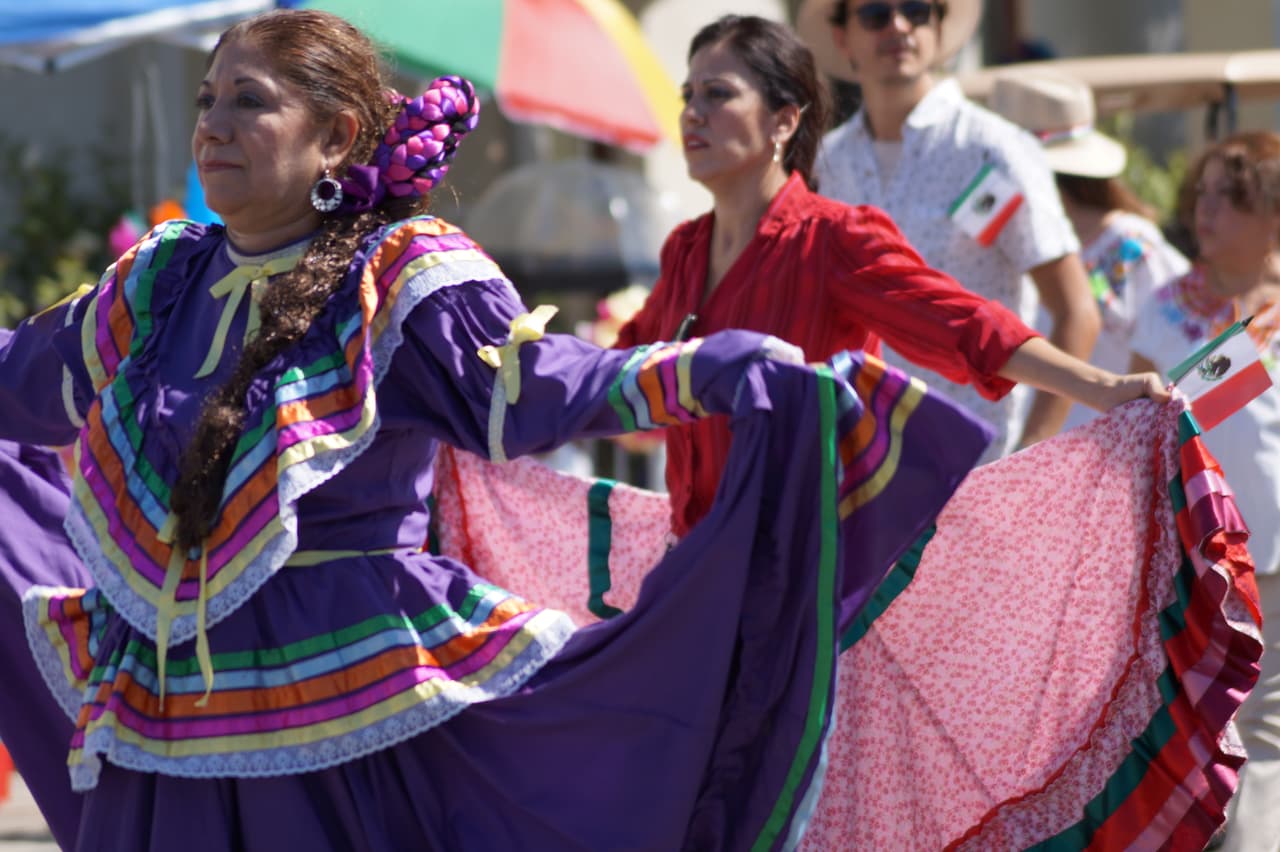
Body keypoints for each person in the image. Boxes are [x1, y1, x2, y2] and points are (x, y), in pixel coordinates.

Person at [0, 8, 1020, 850]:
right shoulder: (160, 284)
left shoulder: (397, 279)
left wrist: (710, 370)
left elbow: (537, 389)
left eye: (250, 102)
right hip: (167, 706)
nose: (212, 125)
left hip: (351, 704)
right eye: (207, 100)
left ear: (336, 137)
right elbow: (23, 383)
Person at [614, 13, 1158, 539]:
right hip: (702, 560)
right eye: (690, 96)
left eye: (718, 94)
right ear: (842, 35)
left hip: (916, 506)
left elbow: (968, 321)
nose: (692, 113)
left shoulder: (981, 153)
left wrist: (1090, 402)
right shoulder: (695, 245)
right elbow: (615, 377)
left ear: (785, 119)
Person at [798, 0, 1102, 461]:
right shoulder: (825, 164)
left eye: (917, 10)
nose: (898, 25)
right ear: (843, 36)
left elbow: (1077, 311)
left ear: (938, 28)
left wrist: (1030, 455)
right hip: (855, 472)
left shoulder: (993, 149)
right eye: (876, 13)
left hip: (976, 468)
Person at [1129, 131, 1280, 852]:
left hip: (1273, 560)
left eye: (1233, 196)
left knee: (1261, 726)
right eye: (1204, 193)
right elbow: (1125, 421)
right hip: (1183, 555)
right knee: (1190, 717)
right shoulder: (1163, 305)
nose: (1207, 210)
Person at [988, 70, 1191, 429]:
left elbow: (1185, 342)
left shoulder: (1132, 247)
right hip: (1007, 448)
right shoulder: (994, 238)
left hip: (1104, 457)